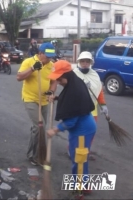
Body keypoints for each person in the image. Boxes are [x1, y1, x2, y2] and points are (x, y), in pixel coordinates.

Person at [47, 60, 96, 195]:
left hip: (82, 130)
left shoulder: (74, 91)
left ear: (66, 76)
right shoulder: (74, 82)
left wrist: (54, 130)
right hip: (82, 127)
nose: (58, 81)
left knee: (79, 160)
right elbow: (70, 102)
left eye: (59, 79)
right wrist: (57, 98)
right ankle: (81, 183)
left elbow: (70, 122)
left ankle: (81, 189)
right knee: (79, 158)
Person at [16, 42, 57, 166]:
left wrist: (51, 92)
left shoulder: (51, 65)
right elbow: (19, 77)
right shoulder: (28, 62)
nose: (49, 58)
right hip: (30, 99)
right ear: (40, 53)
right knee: (40, 127)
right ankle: (33, 155)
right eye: (47, 56)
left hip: (44, 100)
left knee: (39, 128)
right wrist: (33, 68)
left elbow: (54, 82)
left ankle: (39, 152)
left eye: (51, 56)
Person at [72, 51, 108, 159]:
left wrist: (103, 105)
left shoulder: (95, 75)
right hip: (77, 109)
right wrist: (81, 86)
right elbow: (70, 92)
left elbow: (99, 90)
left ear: (90, 62)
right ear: (79, 62)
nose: (84, 63)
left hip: (92, 109)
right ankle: (72, 150)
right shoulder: (74, 74)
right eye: (82, 61)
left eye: (87, 61)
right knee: (77, 131)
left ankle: (86, 151)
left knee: (90, 132)